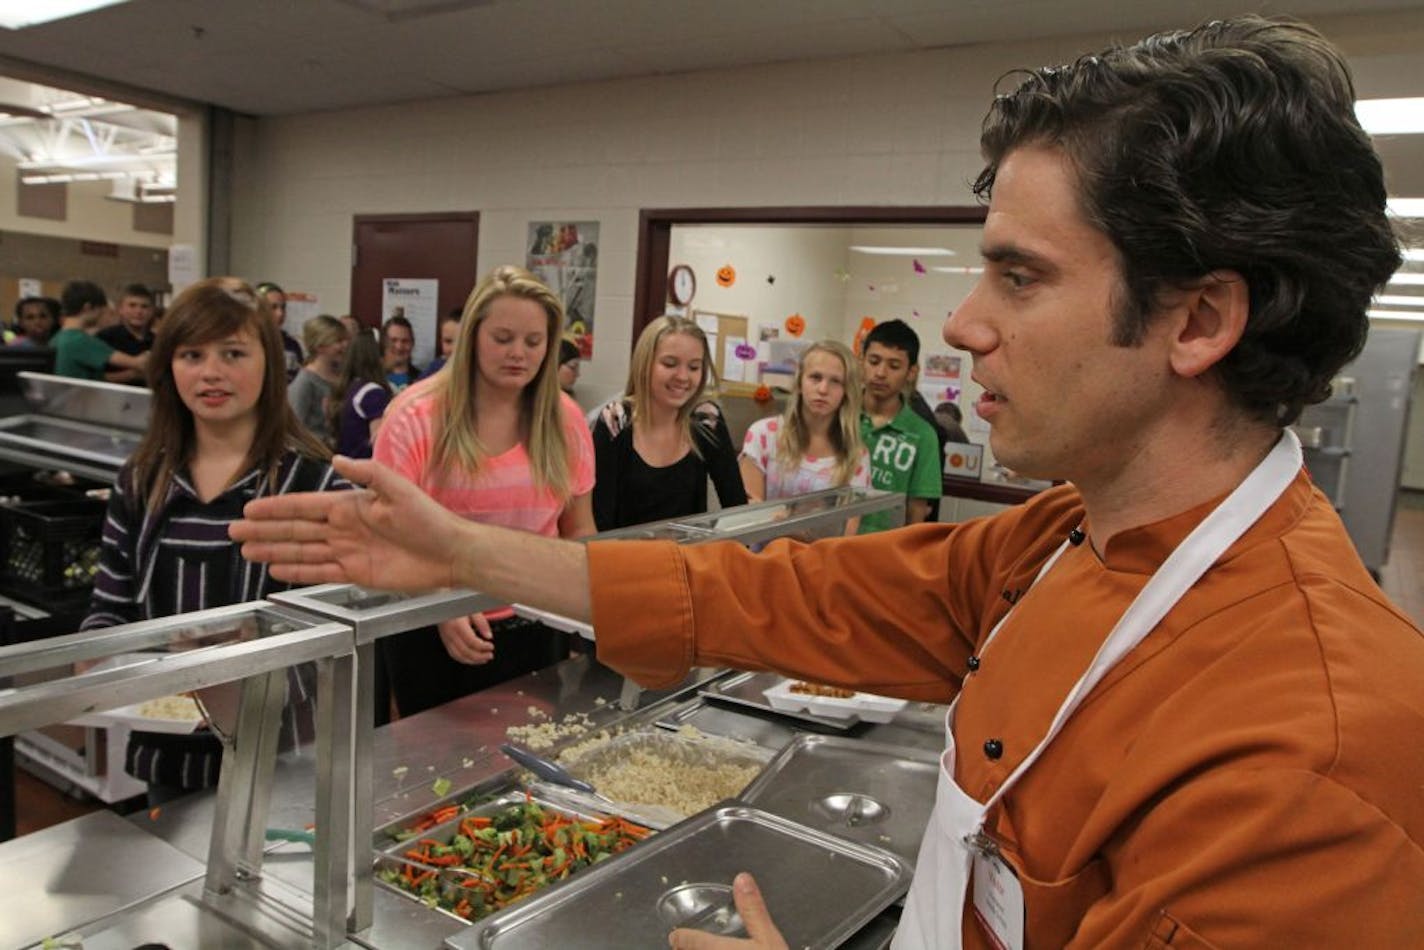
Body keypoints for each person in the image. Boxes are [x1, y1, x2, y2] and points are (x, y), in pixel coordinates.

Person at [233, 17, 1424, 949]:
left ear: (1198, 318)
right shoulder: (1057, 543)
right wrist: (464, 552)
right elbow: (764, 596)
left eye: (1017, 276)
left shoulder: (1314, 756)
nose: (961, 324)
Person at [82, 277, 345, 802]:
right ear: (168, 367)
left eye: (233, 353)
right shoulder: (141, 481)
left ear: (270, 364)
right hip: (171, 752)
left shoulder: (315, 484)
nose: (211, 373)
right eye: (192, 354)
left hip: (284, 753)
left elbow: (340, 627)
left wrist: (249, 660)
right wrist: (97, 661)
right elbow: (109, 606)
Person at [372, 265, 595, 715]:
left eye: (534, 342)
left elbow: (579, 530)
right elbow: (386, 535)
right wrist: (438, 605)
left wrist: (597, 609)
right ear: (473, 336)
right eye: (503, 338)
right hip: (431, 624)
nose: (519, 353)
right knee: (432, 768)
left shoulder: (565, 419)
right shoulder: (416, 416)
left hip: (535, 621)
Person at [591, 315, 746, 531]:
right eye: (670, 364)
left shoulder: (707, 419)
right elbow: (599, 520)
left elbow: (737, 508)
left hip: (686, 559)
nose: (683, 376)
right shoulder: (615, 421)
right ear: (644, 364)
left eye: (693, 367)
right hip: (623, 557)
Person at [739, 340, 870, 503]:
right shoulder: (763, 435)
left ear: (847, 391)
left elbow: (849, 525)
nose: (823, 389)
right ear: (799, 383)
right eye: (815, 377)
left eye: (836, 381)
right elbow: (745, 511)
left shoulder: (855, 455)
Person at [858, 319, 942, 533]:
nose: (880, 373)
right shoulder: (838, 418)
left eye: (894, 366)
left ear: (911, 372)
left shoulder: (923, 435)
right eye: (874, 361)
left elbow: (917, 509)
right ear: (861, 361)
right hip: (828, 545)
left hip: (883, 552)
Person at [52, 280, 148, 382]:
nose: (101, 315)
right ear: (87, 308)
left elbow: (96, 378)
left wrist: (130, 375)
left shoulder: (56, 338)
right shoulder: (80, 341)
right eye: (100, 311)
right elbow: (138, 363)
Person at [287, 314, 350, 446]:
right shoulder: (304, 383)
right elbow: (294, 431)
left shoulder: (341, 377)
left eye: (345, 340)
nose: (345, 345)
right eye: (338, 341)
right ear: (320, 346)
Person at [330, 329, 392, 459]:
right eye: (389, 349)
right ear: (378, 357)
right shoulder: (373, 393)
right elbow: (379, 443)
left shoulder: (350, 387)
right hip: (363, 471)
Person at [97, 283, 157, 384]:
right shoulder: (105, 338)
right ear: (120, 309)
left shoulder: (159, 342)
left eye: (144, 306)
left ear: (152, 311)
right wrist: (131, 375)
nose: (138, 311)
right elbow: (93, 378)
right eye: (132, 305)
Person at [256, 281, 303, 381]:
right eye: (273, 307)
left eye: (283, 307)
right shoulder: (246, 343)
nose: (280, 313)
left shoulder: (291, 344)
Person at [418, 309, 462, 379]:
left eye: (461, 342)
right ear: (441, 341)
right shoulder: (435, 369)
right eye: (448, 341)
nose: (453, 348)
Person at [380, 315, 421, 391]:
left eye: (405, 341)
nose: (399, 347)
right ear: (384, 342)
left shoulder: (422, 381)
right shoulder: (373, 379)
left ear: (412, 343)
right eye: (393, 340)